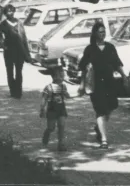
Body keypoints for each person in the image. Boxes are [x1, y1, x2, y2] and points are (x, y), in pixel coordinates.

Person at [77, 21, 125, 149]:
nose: (102, 34)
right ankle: (104, 139)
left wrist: (124, 76)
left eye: (104, 32)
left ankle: (99, 126)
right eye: (100, 32)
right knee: (100, 111)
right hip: (95, 84)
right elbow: (83, 68)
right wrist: (81, 85)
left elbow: (117, 63)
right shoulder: (90, 49)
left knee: (110, 107)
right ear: (95, 33)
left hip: (109, 82)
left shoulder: (110, 47)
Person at [0, 2, 31, 98]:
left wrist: (27, 53)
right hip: (9, 51)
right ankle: (12, 91)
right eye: (7, 11)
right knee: (10, 72)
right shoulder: (3, 24)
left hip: (19, 51)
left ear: (14, 11)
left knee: (19, 72)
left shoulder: (19, 23)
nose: (10, 13)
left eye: (11, 11)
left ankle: (18, 92)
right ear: (5, 13)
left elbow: (24, 38)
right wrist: (3, 45)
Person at [40, 65, 75, 151]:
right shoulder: (48, 87)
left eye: (63, 75)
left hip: (61, 109)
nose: (63, 77)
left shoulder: (63, 86)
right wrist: (42, 109)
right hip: (52, 110)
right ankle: (47, 134)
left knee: (61, 125)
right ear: (54, 76)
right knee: (51, 128)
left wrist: (77, 94)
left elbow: (67, 96)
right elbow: (44, 98)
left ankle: (61, 144)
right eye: (61, 75)